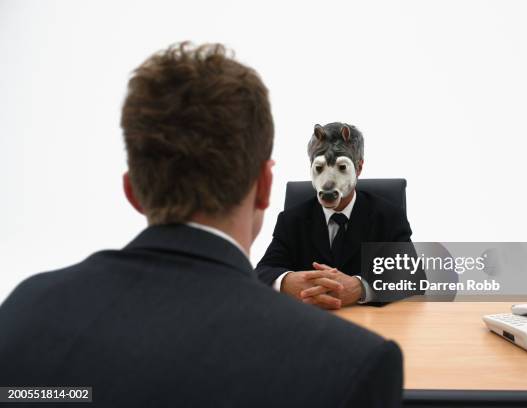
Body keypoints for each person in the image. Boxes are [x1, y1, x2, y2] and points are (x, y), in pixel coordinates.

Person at [0, 42, 403, 407]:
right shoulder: (358, 366)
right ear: (265, 186)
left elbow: (416, 269)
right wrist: (287, 282)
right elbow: (268, 271)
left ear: (132, 191)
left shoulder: (20, 315)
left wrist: (361, 286)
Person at [255, 122, 425, 309]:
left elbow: (413, 278)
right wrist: (287, 281)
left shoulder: (388, 216)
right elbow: (263, 272)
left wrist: (361, 287)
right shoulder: (291, 220)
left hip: (369, 326)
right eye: (319, 168)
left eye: (342, 168)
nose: (328, 183)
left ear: (359, 168)